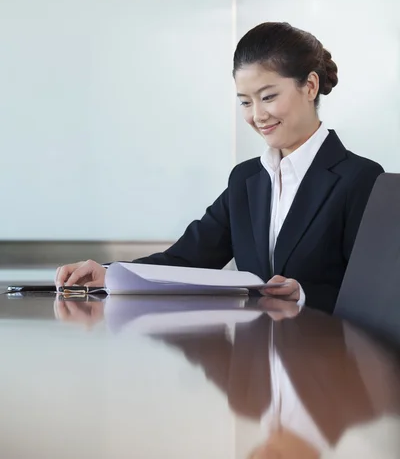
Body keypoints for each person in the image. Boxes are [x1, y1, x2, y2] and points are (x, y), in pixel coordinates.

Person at [55, 22, 384, 313]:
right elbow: (185, 260)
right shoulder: (247, 180)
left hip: (330, 371)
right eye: (245, 101)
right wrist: (108, 273)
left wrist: (304, 296)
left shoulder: (362, 179)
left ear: (309, 86)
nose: (257, 115)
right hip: (257, 371)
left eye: (268, 96)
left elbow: (377, 295)